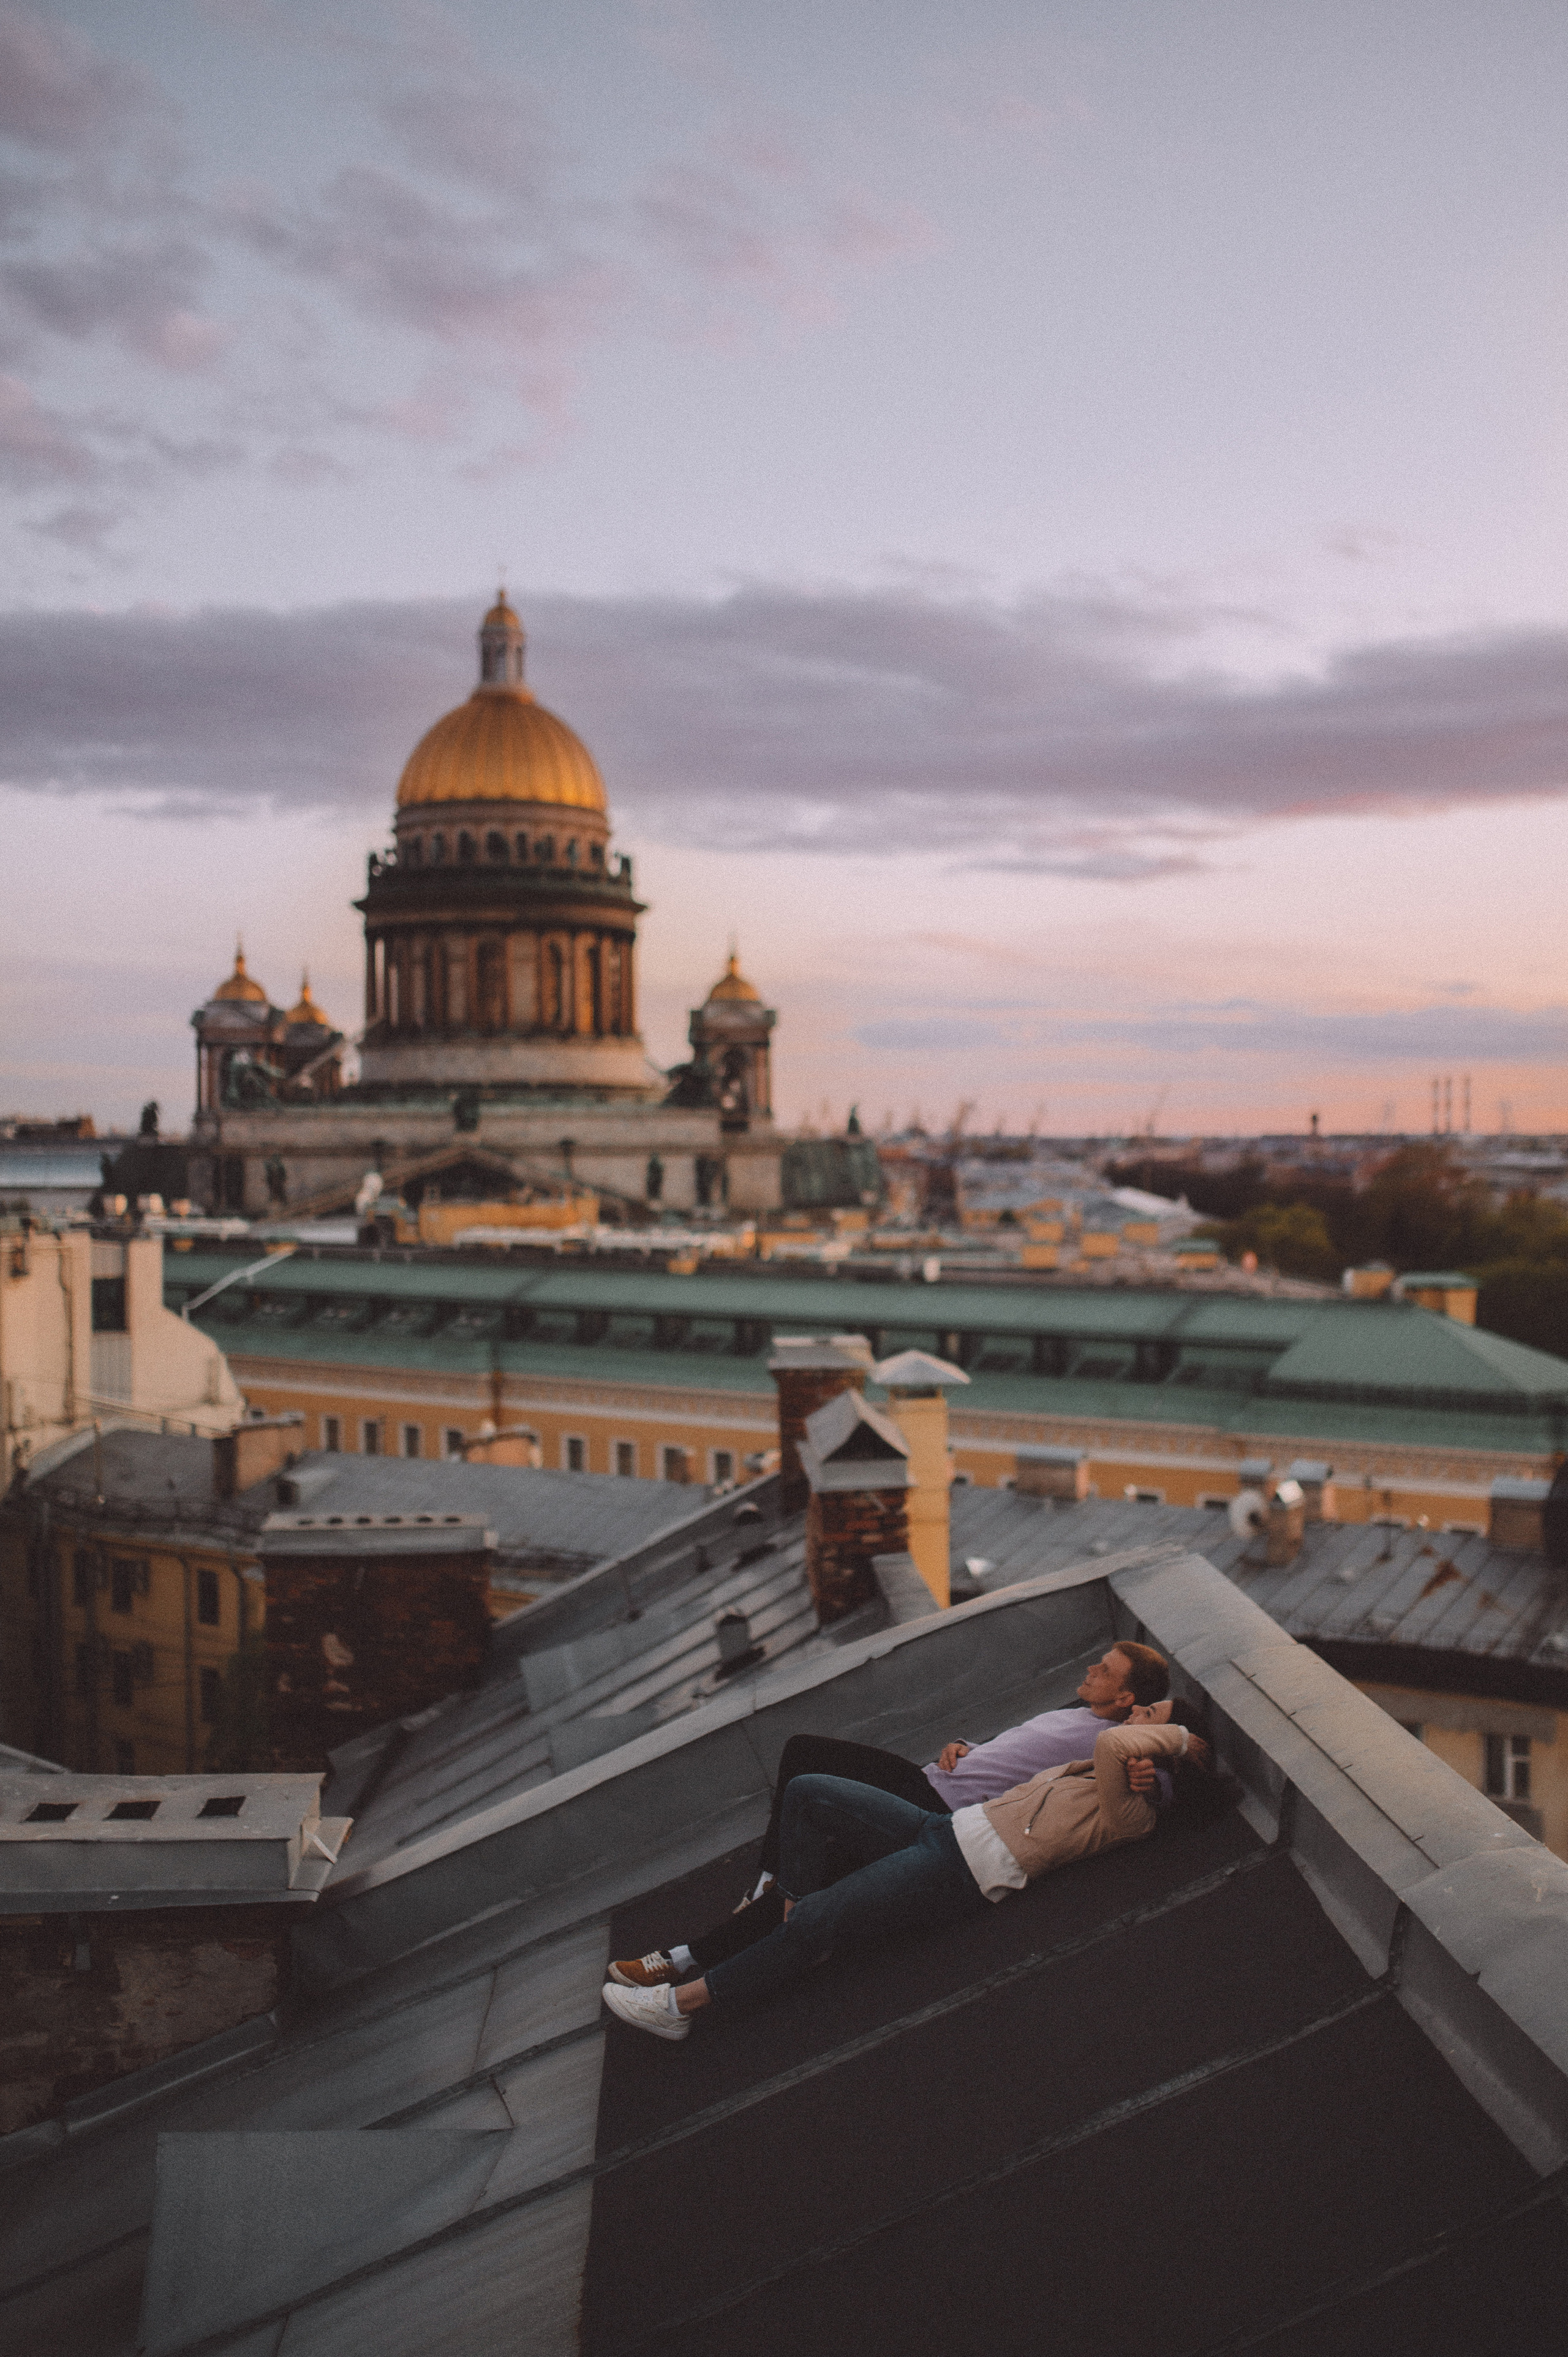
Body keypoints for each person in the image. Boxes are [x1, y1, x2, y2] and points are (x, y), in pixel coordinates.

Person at [603, 1711, 1213, 2041]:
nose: (1137, 1724)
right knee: (808, 1789)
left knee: (821, 1918)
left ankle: (678, 2005)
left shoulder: (1131, 1816)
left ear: (1163, 1762)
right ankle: (790, 1907)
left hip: (959, 1873)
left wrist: (1182, 1738)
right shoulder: (1094, 1770)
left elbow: (1116, 1748)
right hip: (940, 1828)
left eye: (1150, 1722)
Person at [608, 1640, 1171, 1991]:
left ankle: (686, 1955)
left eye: (1105, 1670)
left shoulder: (1116, 1745)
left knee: (805, 1761)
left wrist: (1157, 1743)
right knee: (808, 1804)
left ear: (1129, 1702)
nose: (1092, 1669)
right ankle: (741, 1911)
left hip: (937, 1810)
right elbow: (1018, 1752)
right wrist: (967, 1744)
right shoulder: (1080, 1714)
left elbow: (1162, 1777)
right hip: (932, 1779)